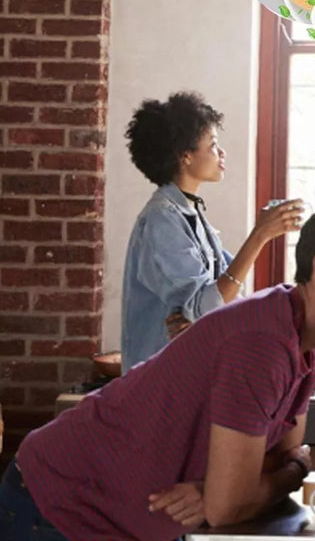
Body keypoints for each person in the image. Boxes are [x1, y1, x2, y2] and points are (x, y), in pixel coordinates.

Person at [0, 199, 315, 541]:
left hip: (117, 515)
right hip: (57, 504)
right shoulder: (262, 342)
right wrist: (292, 470)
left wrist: (251, 481)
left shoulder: (307, 337)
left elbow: (277, 457)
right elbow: (237, 502)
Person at [121, 91, 304, 372]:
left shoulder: (190, 212)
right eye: (213, 145)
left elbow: (223, 297)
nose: (221, 153)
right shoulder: (161, 221)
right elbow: (208, 305)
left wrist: (200, 315)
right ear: (185, 157)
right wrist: (260, 235)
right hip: (160, 384)